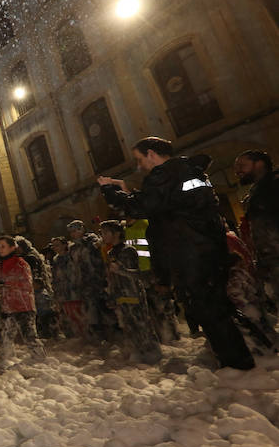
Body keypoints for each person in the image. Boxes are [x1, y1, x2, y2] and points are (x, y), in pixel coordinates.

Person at [99, 136, 255, 370]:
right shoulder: (191, 171)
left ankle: (237, 365)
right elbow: (165, 204)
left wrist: (110, 191)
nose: (140, 166)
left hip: (191, 252)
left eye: (140, 159)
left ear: (152, 154)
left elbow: (140, 208)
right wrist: (129, 192)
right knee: (218, 307)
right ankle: (244, 356)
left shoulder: (166, 174)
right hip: (208, 249)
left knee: (210, 310)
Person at [99, 220, 163, 364]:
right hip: (121, 296)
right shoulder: (110, 252)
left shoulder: (128, 250)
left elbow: (138, 275)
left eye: (106, 232)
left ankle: (152, 354)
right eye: (102, 233)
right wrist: (112, 294)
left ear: (116, 233)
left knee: (142, 326)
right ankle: (137, 353)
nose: (103, 236)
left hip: (133, 294)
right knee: (128, 327)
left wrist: (121, 270)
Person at [235, 149, 279, 316]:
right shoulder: (256, 192)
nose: (237, 171)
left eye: (242, 165)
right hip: (271, 261)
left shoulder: (274, 185)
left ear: (259, 164)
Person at [0, 235, 45, 370]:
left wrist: (6, 283)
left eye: (3, 246)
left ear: (12, 247)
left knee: (29, 335)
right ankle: (3, 360)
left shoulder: (21, 264)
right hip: (7, 307)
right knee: (4, 336)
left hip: (23, 306)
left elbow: (27, 284)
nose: (0, 249)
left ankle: (39, 360)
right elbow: (0, 288)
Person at [66, 220, 114, 341]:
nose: (73, 234)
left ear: (82, 229)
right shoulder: (73, 248)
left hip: (99, 281)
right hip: (85, 284)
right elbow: (73, 267)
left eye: (75, 230)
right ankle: (97, 335)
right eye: (71, 232)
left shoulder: (93, 242)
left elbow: (103, 259)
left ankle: (113, 334)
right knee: (91, 310)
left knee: (104, 307)